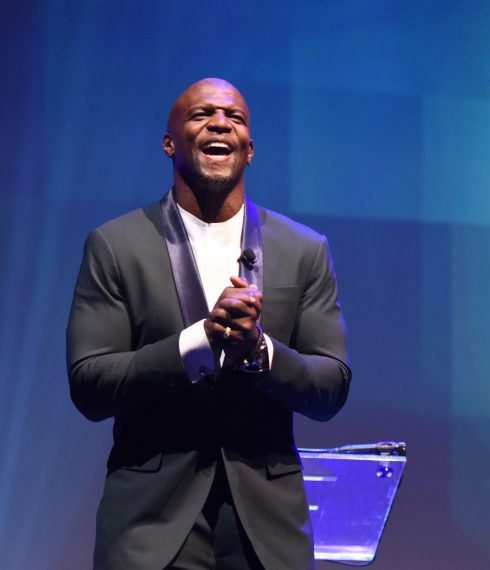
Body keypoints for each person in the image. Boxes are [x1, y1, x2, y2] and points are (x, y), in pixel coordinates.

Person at [66, 78, 351, 570]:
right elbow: (91, 383)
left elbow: (330, 384)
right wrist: (201, 341)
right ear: (169, 142)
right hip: (151, 528)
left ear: (250, 149)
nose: (220, 122)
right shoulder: (116, 245)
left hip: (268, 532)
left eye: (235, 118)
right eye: (201, 115)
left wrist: (260, 351)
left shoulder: (304, 249)